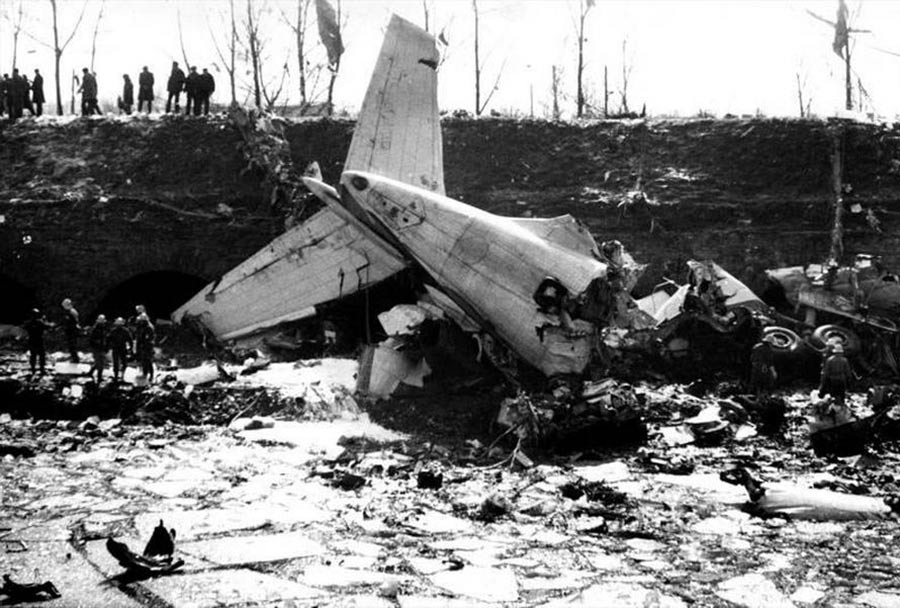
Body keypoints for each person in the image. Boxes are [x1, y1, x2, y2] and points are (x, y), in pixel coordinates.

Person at [819, 342, 853, 406]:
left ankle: (834, 408)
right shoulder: (844, 360)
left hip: (832, 380)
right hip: (842, 380)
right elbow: (848, 372)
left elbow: (826, 373)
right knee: (841, 395)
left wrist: (823, 382)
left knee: (833, 395)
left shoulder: (830, 360)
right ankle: (841, 407)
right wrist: (849, 381)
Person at [22, 308, 53, 375]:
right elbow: (49, 327)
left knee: (33, 355)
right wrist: (45, 321)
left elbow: (24, 329)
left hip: (31, 340)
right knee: (41, 355)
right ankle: (41, 369)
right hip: (39, 340)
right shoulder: (40, 322)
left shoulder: (28, 323)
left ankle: (33, 370)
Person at [107, 317, 133, 383]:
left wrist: (130, 348)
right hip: (117, 348)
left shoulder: (125, 331)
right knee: (117, 363)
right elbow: (108, 339)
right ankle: (117, 376)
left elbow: (130, 340)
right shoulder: (114, 331)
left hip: (121, 348)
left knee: (123, 363)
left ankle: (120, 376)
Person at [134, 313, 156, 382]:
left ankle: (151, 375)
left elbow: (149, 338)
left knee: (148, 361)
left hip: (147, 347)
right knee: (144, 361)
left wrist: (144, 345)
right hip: (143, 347)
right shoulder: (141, 327)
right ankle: (145, 374)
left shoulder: (149, 328)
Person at [88, 314, 109, 383]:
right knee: (100, 363)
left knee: (99, 362)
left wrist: (106, 347)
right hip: (96, 348)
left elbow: (105, 338)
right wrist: (96, 344)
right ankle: (99, 377)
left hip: (102, 347)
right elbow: (91, 340)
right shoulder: (95, 329)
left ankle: (91, 372)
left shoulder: (104, 328)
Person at [61, 298, 81, 363]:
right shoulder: (68, 311)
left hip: (72, 332)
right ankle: (74, 358)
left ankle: (75, 360)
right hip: (69, 331)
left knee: (73, 346)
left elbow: (74, 322)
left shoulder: (72, 312)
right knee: (71, 346)